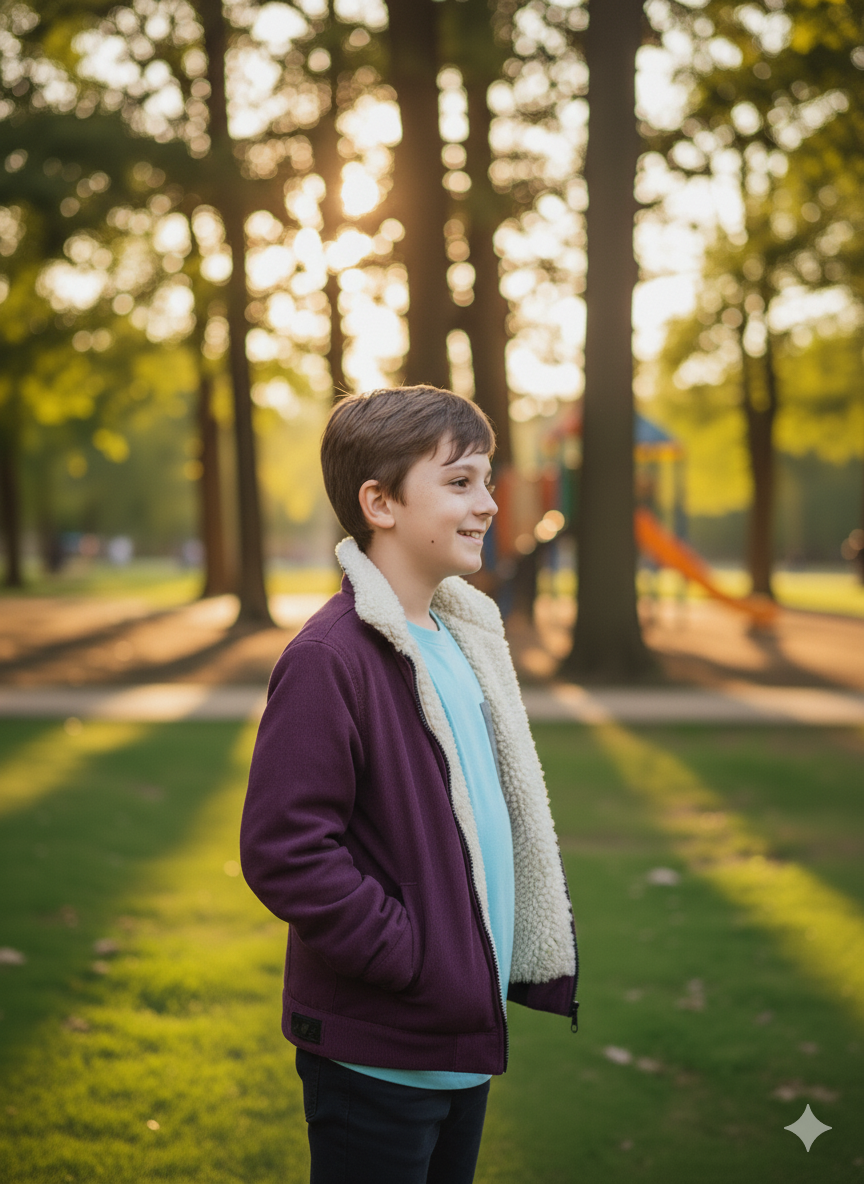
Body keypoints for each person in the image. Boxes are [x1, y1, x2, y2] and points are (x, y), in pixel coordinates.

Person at [240, 385, 578, 1184]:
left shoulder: (460, 639)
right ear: (379, 502)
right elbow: (285, 849)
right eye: (459, 482)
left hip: (459, 1043)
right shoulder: (332, 658)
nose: (489, 504)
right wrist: (411, 956)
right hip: (379, 1055)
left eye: (487, 481)